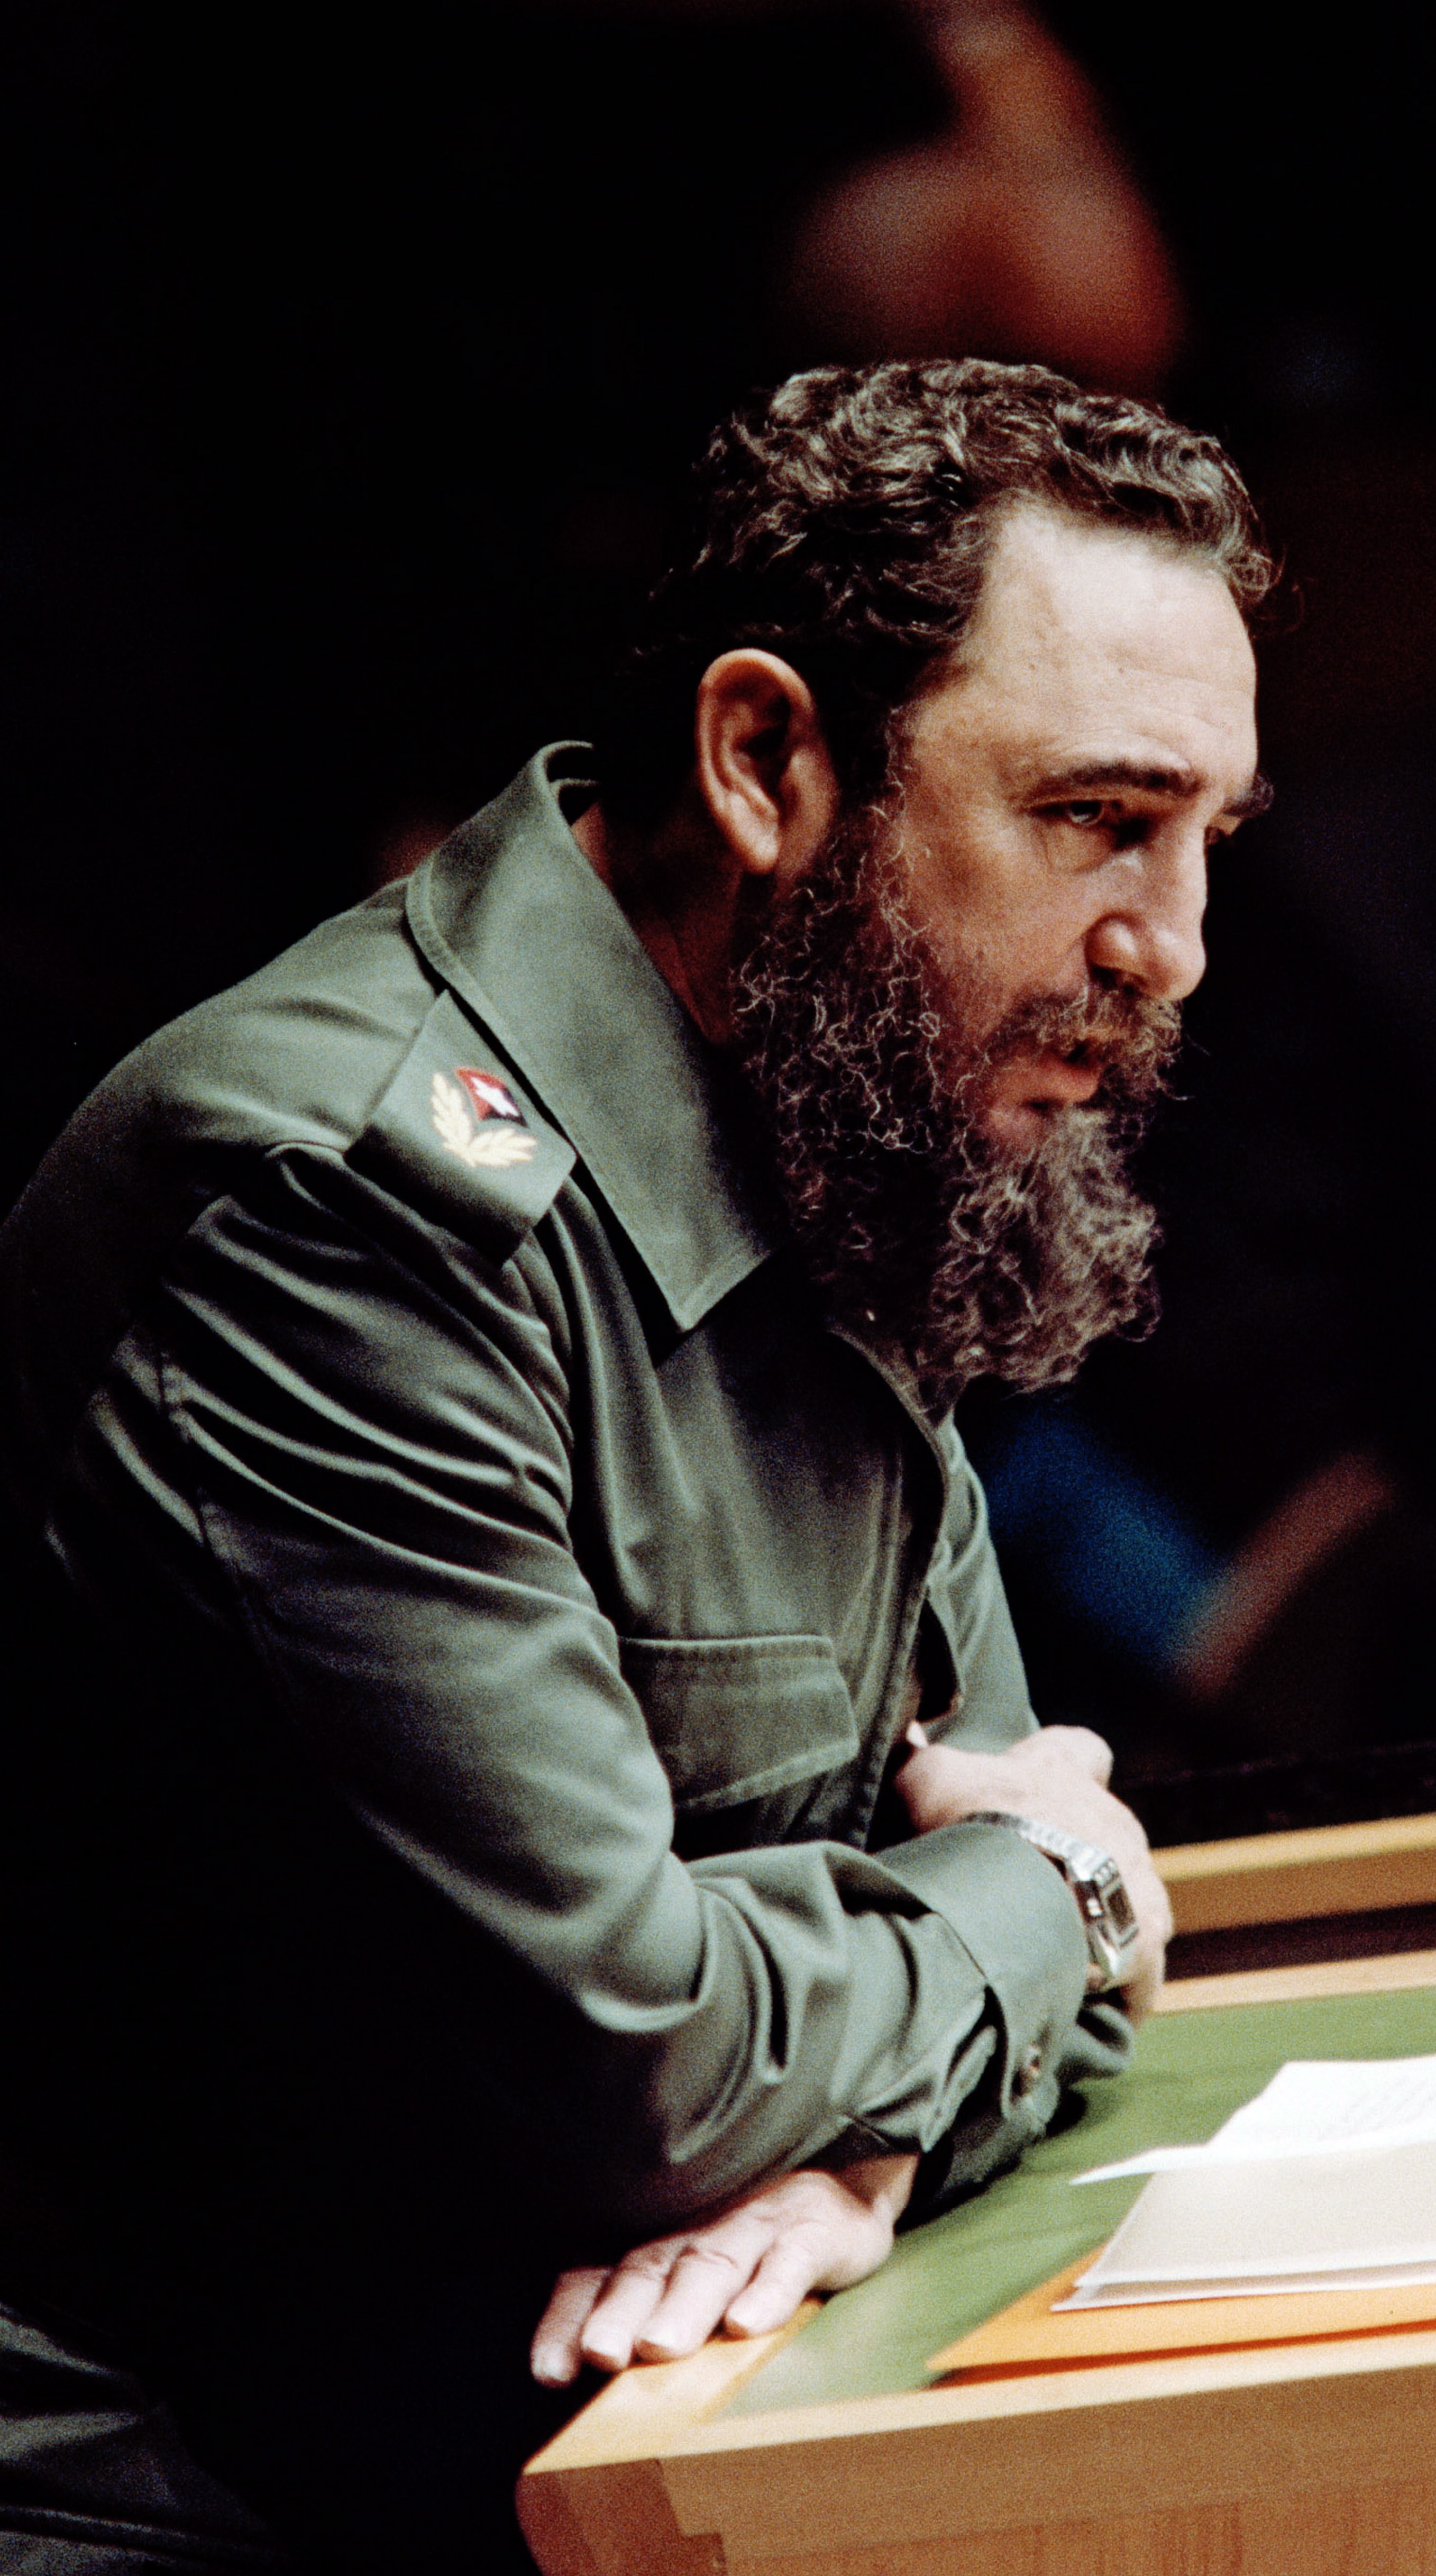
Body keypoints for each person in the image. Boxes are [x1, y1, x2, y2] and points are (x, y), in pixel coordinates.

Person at [0, 359, 1268, 2575]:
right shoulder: (338, 1205)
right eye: (1095, 820)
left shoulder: (844, 1104)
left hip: (611, 2424)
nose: (1169, 953)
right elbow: (639, 2056)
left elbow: (996, 1966)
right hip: (203, 2510)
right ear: (768, 759)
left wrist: (861, 2140)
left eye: (1203, 843)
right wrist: (1039, 1895)